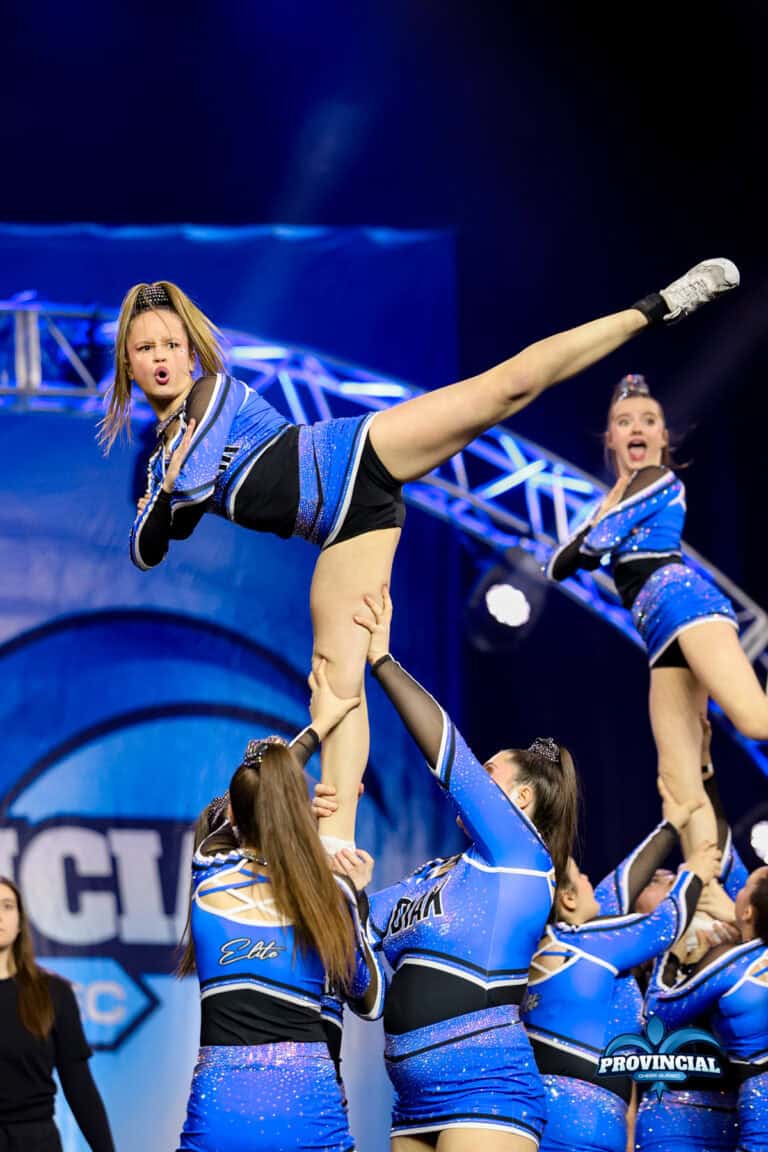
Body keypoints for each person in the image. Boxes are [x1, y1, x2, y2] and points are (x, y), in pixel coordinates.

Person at [102, 259, 739, 853]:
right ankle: (339, 849)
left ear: (190, 352)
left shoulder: (212, 394)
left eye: (171, 344)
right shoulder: (162, 460)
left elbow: (182, 495)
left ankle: (655, 307)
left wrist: (169, 495)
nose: (161, 358)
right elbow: (145, 551)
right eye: (144, 349)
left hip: (359, 454)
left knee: (506, 388)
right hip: (343, 528)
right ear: (127, 363)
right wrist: (167, 493)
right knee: (335, 681)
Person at [316, 585, 579, 1150]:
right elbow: (358, 973)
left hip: (488, 1092)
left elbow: (450, 759)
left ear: (522, 799)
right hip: (411, 1103)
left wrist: (383, 662)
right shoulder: (431, 877)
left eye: (491, 772)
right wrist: (330, 857)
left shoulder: (521, 858)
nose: (478, 778)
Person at [547, 365, 768, 861]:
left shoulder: (655, 478)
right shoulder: (617, 497)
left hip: (687, 606)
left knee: (755, 720)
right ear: (610, 437)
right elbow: (558, 566)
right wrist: (596, 522)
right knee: (677, 780)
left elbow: (585, 551)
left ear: (663, 437)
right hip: (660, 633)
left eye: (649, 421)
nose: (638, 429)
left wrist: (595, 526)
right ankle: (708, 890)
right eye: (625, 421)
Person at [176, 660, 384, 1152]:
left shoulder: (208, 872)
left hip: (220, 1113)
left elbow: (245, 806)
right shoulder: (328, 894)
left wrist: (316, 729)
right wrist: (356, 899)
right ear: (292, 807)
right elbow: (371, 1001)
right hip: (309, 1111)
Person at [520, 778, 721, 1152]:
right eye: (581, 876)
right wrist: (693, 873)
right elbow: (664, 924)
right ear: (567, 899)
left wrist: (671, 826)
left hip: (546, 1119)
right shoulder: (590, 945)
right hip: (579, 1125)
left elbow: (620, 883)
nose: (590, 880)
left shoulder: (554, 944)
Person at [645, 866, 768, 1152]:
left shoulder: (736, 963)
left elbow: (656, 1011)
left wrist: (669, 957)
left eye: (744, 887)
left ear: (748, 911)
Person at [0, 877, 115, 1152]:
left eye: (7, 906)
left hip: (35, 1142)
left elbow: (79, 1086)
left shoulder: (54, 993)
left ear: (20, 921)